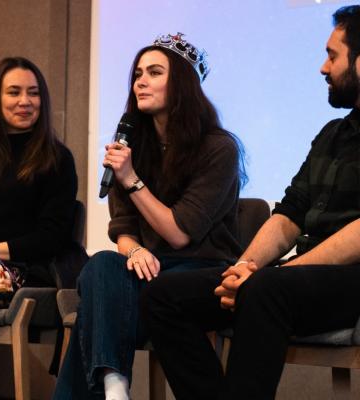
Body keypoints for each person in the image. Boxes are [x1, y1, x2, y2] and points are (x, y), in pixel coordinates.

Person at [140, 5, 360, 400]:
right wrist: (242, 269)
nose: (323, 68)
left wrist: (272, 275)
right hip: (299, 280)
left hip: (350, 280)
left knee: (265, 290)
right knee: (164, 296)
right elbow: (290, 213)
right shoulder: (332, 134)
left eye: (332, 56)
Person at [54, 33, 247, 400]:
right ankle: (115, 387)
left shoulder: (218, 148)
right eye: (138, 74)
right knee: (100, 265)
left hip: (199, 273)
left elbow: (180, 233)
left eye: (155, 72)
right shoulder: (133, 145)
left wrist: (130, 178)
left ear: (183, 84)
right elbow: (124, 229)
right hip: (150, 269)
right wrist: (134, 250)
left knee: (96, 312)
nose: (140, 81)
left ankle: (111, 390)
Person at [0, 57, 78, 399]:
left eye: (33, 93)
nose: (25, 101)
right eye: (14, 92)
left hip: (26, 270)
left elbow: (52, 237)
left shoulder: (57, 159)